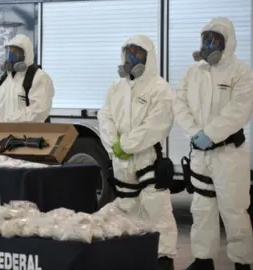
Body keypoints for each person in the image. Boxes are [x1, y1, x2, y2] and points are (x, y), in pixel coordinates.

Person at [173, 17, 253, 270]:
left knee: (234, 210)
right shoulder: (193, 72)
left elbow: (240, 109)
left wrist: (212, 133)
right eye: (205, 39)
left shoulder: (240, 72)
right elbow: (180, 103)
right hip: (200, 154)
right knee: (202, 208)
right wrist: (195, 133)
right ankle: (203, 259)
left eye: (215, 39)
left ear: (227, 43)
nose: (209, 44)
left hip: (229, 154)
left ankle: (242, 262)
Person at [98, 35, 177, 270]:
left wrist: (127, 145)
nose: (132, 58)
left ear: (148, 57)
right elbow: (105, 116)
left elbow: (157, 124)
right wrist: (113, 143)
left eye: (137, 53)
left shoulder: (160, 89)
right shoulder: (117, 88)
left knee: (157, 212)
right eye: (128, 52)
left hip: (147, 161)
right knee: (125, 210)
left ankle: (163, 261)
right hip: (122, 163)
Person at [0, 34, 54, 123]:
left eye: (16, 52)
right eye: (9, 51)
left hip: (31, 135)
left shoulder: (39, 78)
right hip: (4, 134)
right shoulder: (2, 79)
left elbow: (39, 110)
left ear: (26, 55)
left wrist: (10, 122)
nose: (11, 56)